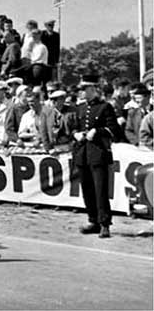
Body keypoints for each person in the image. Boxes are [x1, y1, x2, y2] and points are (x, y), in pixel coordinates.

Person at [72, 74, 119, 238]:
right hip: (83, 153)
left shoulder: (105, 107)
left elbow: (114, 129)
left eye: (84, 89)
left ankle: (104, 223)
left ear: (92, 89)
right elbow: (74, 126)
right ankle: (93, 220)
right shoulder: (80, 108)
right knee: (87, 188)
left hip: (98, 153)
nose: (81, 92)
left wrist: (97, 131)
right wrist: (76, 134)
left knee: (100, 190)